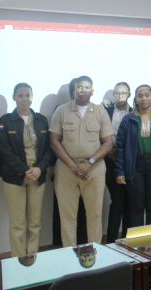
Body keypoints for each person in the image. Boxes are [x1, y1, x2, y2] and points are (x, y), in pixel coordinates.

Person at [49, 76, 113, 247]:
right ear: (73, 90)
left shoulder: (100, 112)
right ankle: (70, 258)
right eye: (79, 87)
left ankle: (95, 255)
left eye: (87, 87)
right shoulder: (61, 111)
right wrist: (72, 165)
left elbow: (108, 143)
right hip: (65, 169)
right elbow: (54, 141)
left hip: (94, 169)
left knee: (94, 215)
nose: (83, 90)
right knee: (67, 217)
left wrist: (89, 163)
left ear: (92, 91)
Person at [0, 83, 52, 257]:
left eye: (27, 95)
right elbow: (3, 150)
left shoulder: (41, 119)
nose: (24, 99)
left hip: (37, 176)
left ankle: (33, 258)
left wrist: (39, 169)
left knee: (35, 223)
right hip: (15, 177)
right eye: (20, 95)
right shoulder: (4, 121)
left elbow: (49, 149)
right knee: (17, 224)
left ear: (32, 97)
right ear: (14, 97)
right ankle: (18, 261)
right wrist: (25, 169)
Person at [115, 85, 151, 228]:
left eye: (147, 95)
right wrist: (119, 171)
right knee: (136, 207)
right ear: (135, 99)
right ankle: (137, 247)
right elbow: (120, 148)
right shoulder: (128, 119)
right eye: (140, 96)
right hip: (135, 166)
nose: (144, 99)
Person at [103, 82, 132, 243]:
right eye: (117, 93)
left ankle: (127, 240)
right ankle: (112, 240)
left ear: (129, 95)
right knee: (118, 200)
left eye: (123, 93)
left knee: (129, 201)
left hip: (129, 160)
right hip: (109, 158)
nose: (120, 96)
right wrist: (109, 151)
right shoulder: (105, 111)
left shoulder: (135, 112)